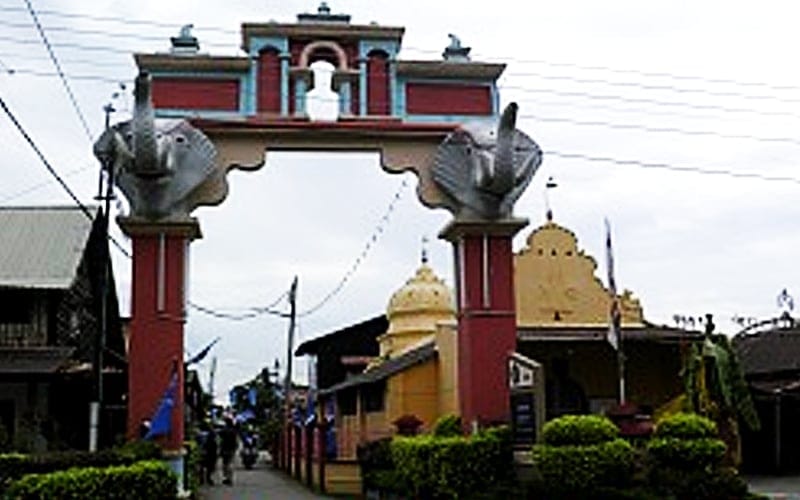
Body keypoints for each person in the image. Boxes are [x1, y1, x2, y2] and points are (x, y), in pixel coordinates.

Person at [218, 417, 238, 486]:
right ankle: (230, 478)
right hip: (231, 449)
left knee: (225, 464)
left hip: (224, 449)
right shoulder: (233, 431)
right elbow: (236, 441)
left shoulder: (223, 431)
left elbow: (219, 439)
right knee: (230, 463)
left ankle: (225, 477)